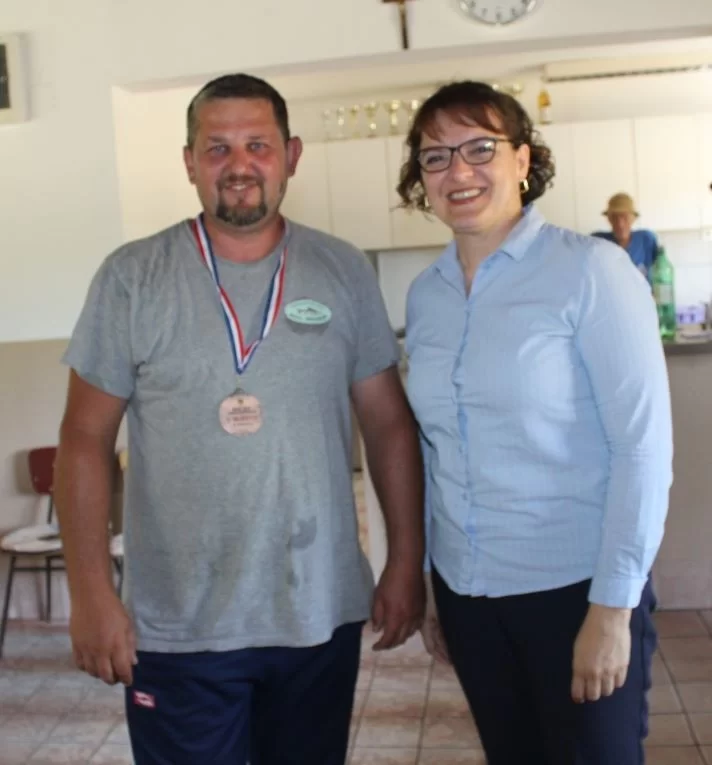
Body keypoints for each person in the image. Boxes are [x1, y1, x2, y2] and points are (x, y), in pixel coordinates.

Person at [54, 73, 425, 765]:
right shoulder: (133, 277)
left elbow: (388, 425)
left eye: (258, 144)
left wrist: (405, 560)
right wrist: (91, 593)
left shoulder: (342, 270)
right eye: (217, 148)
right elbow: (83, 439)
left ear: (291, 155)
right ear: (189, 162)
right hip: (178, 627)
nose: (239, 165)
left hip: (317, 615)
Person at [398, 81, 673, 765]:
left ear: (522, 159)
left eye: (479, 148)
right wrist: (433, 579)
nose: (458, 171)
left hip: (575, 592)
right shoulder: (426, 296)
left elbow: (642, 450)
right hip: (468, 596)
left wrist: (613, 609)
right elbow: (438, 449)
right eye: (435, 156)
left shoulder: (591, 272)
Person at [592, 192, 659, 280]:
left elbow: (661, 271)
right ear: (609, 219)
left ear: (633, 218)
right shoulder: (598, 241)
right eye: (614, 217)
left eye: (625, 217)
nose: (620, 224)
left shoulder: (646, 239)